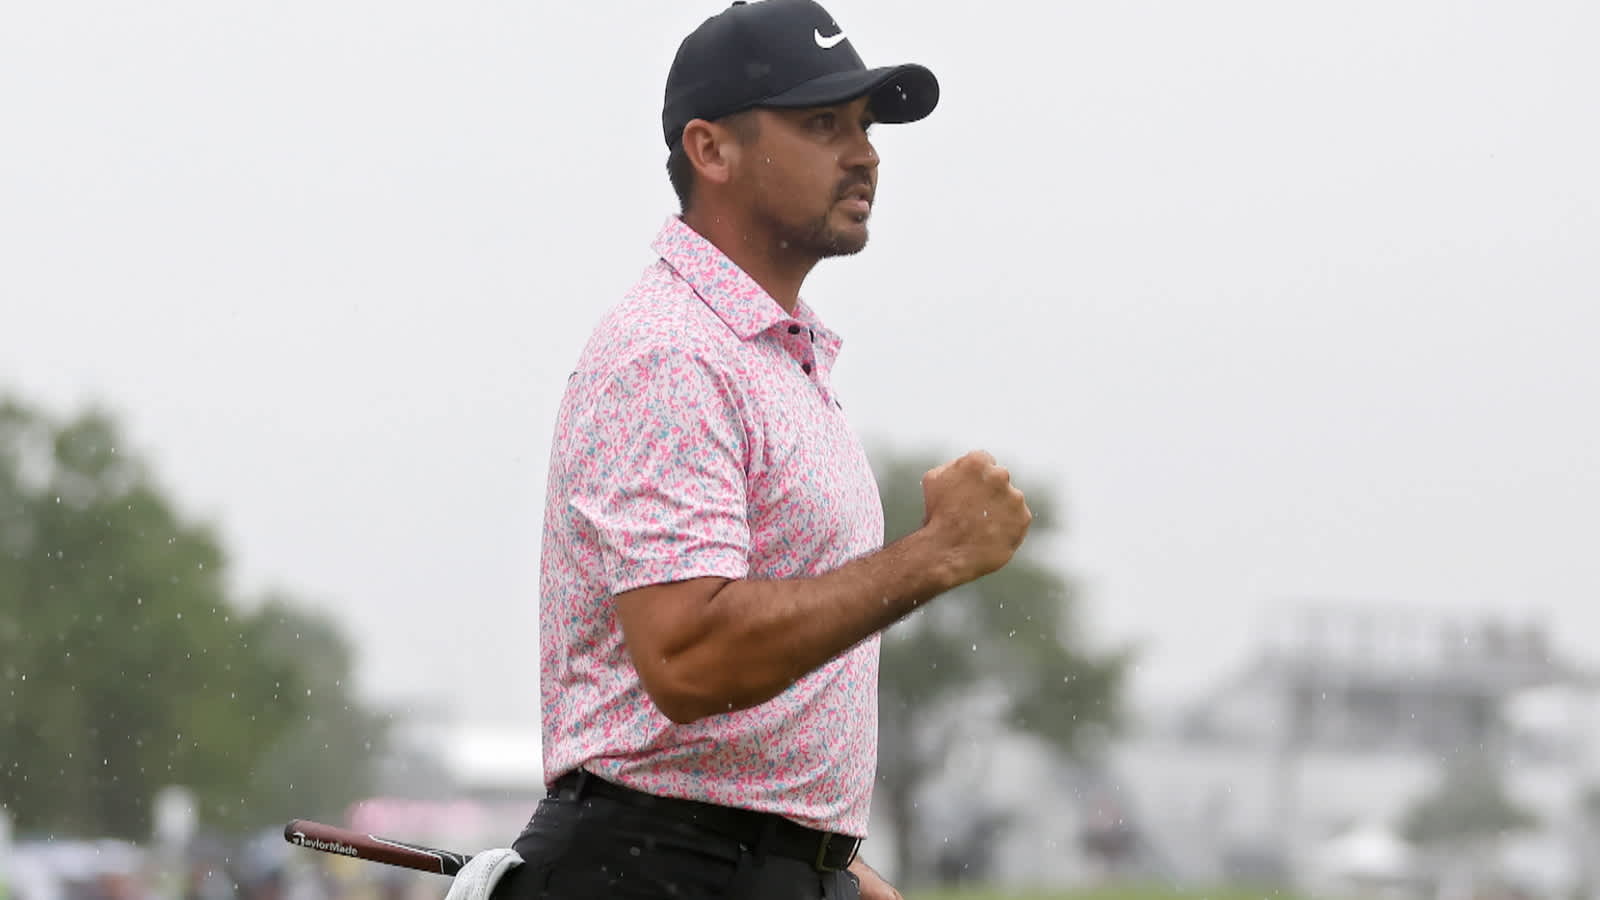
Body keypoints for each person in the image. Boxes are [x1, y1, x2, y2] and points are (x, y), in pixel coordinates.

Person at [469, 1, 1034, 898]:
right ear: (712, 151)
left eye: (864, 125)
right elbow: (691, 659)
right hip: (654, 871)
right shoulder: (670, 354)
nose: (865, 154)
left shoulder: (770, 355)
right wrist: (932, 556)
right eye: (822, 124)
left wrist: (824, 866)